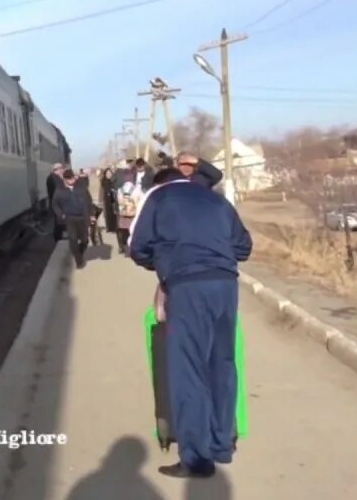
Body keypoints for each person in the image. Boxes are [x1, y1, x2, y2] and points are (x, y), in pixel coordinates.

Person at [128, 167, 252, 479]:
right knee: (222, 364)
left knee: (189, 370)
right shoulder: (217, 201)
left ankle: (197, 459)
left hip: (187, 287)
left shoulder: (158, 198)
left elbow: (137, 247)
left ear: (160, 183)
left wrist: (163, 263)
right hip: (226, 285)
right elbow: (243, 247)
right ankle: (222, 445)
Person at [51, 169, 91, 268]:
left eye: (73, 178)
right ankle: (79, 261)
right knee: (73, 240)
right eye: (69, 179)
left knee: (85, 240)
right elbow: (55, 204)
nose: (72, 180)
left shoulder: (81, 187)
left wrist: (92, 214)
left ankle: (79, 253)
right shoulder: (59, 190)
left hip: (82, 217)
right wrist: (61, 214)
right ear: (65, 179)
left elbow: (88, 201)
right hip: (70, 218)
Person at [46, 163, 65, 240]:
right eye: (61, 168)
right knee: (58, 222)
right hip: (56, 203)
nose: (63, 170)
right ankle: (58, 238)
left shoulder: (55, 177)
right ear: (57, 169)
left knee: (60, 221)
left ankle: (59, 237)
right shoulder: (53, 178)